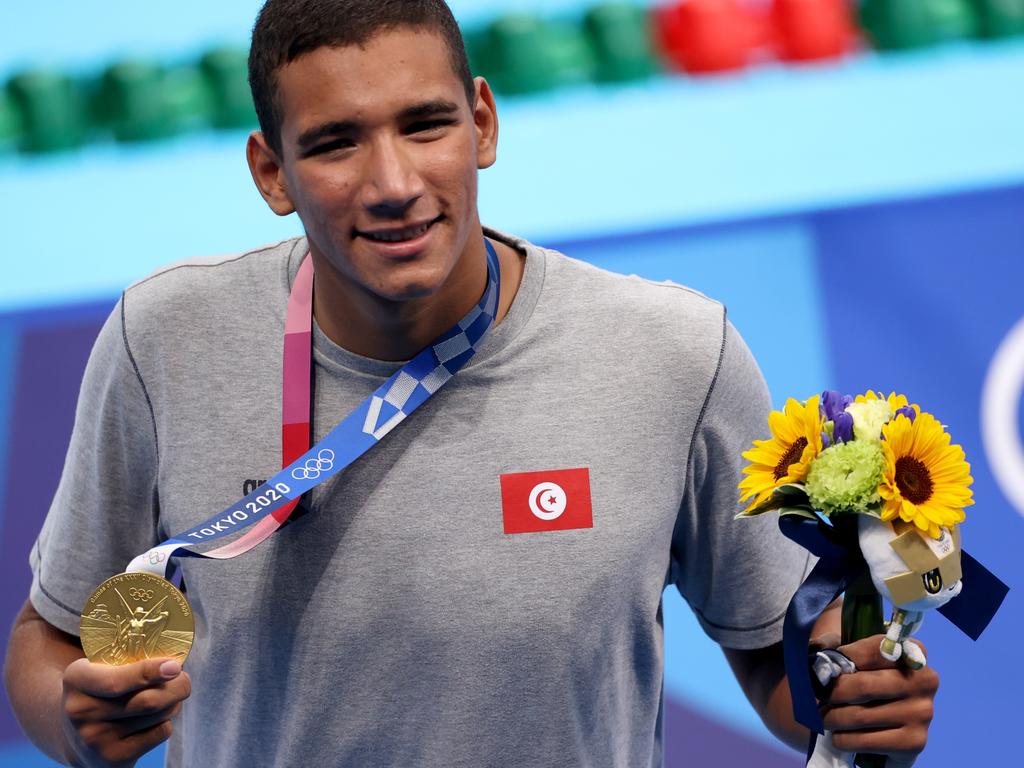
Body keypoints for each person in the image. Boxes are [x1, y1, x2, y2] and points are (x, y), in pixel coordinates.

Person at [3, 1, 939, 766]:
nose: (394, 182)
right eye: (335, 143)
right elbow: (48, 645)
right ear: (269, 171)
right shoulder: (166, 339)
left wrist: (851, 701)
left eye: (426, 124)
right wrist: (79, 724)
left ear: (482, 122)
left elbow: (774, 659)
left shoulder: (671, 351)